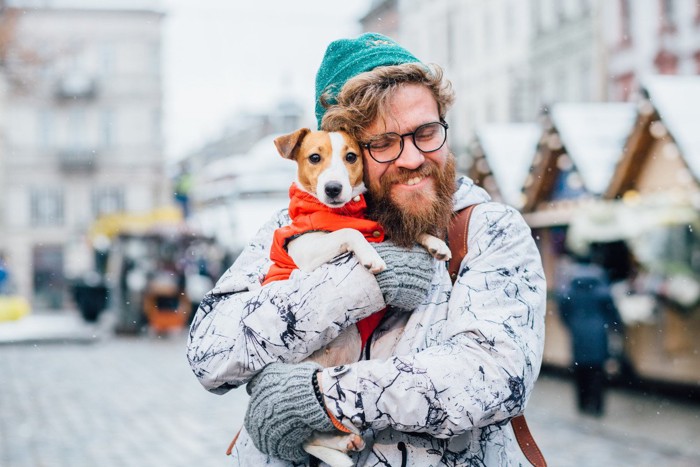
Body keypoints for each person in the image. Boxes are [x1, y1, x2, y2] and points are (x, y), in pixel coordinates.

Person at [187, 32, 546, 466]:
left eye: (426, 132)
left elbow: (492, 378)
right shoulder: (290, 226)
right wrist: (357, 282)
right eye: (384, 143)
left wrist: (323, 396)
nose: (412, 157)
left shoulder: (488, 230)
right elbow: (211, 354)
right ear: (348, 152)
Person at [557, 259, 621, 417]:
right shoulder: (601, 288)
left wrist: (572, 324)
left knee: (580, 370)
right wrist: (613, 325)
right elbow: (612, 313)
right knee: (597, 370)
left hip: (578, 333)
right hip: (599, 332)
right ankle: (597, 406)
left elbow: (563, 311)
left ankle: (582, 404)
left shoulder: (571, 289)